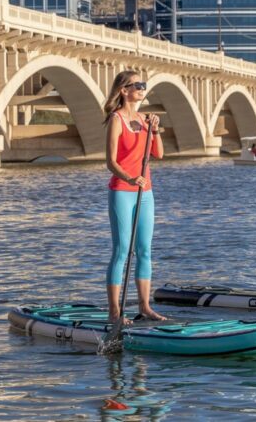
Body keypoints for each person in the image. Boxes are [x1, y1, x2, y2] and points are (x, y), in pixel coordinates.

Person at [103, 70, 165, 325]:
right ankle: (115, 312)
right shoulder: (116, 119)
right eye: (136, 85)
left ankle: (145, 306)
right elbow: (111, 162)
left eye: (143, 85)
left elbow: (158, 154)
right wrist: (129, 178)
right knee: (121, 251)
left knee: (145, 251)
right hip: (122, 191)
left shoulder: (144, 119)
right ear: (123, 91)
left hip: (146, 192)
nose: (142, 88)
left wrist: (155, 130)